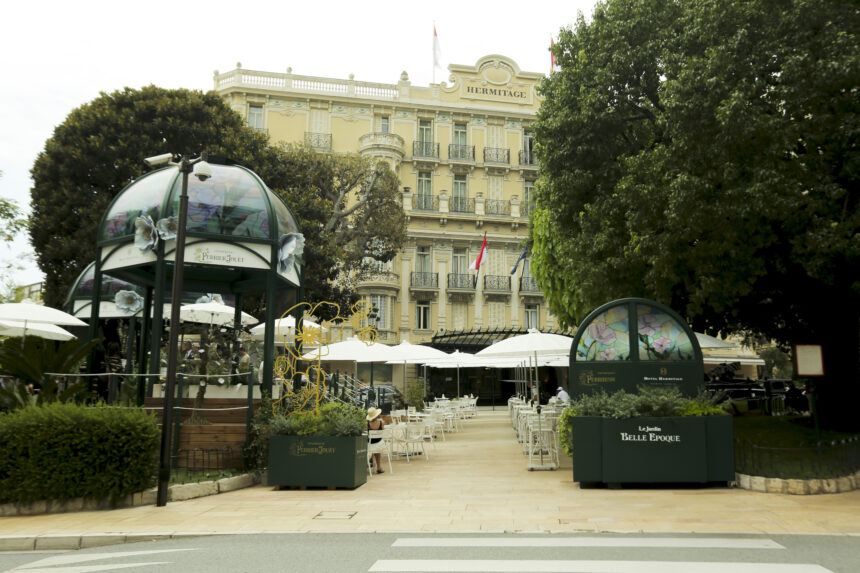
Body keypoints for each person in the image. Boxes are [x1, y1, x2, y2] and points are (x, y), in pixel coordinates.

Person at [367, 407, 385, 474]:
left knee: (372, 446)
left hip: (370, 444)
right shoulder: (381, 423)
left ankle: (371, 459)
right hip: (379, 444)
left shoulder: (367, 424)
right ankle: (379, 467)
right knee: (377, 447)